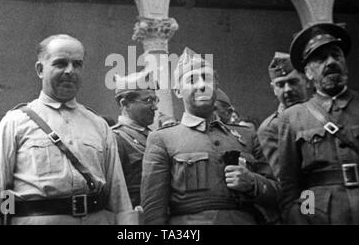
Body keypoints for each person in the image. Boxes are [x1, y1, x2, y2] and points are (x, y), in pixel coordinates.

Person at [0, 34, 136, 225]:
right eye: (60, 63)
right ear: (40, 69)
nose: (70, 71)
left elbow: (119, 197)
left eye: (77, 64)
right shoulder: (15, 122)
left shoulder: (98, 125)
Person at [141, 47, 280, 225]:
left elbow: (277, 193)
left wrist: (252, 182)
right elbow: (153, 212)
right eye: (192, 80)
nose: (201, 85)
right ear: (177, 91)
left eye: (206, 78)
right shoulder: (163, 139)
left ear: (215, 86)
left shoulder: (246, 136)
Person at [278, 23, 359, 224]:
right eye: (321, 58)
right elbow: (291, 184)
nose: (331, 62)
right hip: (321, 214)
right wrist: (301, 216)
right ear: (308, 72)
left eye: (336, 55)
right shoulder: (293, 118)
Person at [258, 52, 310, 177]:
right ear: (274, 89)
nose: (287, 89)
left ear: (307, 81)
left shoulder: (322, 113)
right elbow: (282, 177)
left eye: (293, 82)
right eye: (280, 85)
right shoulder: (271, 128)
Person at [111, 70, 158, 207]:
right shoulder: (115, 138)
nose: (155, 107)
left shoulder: (154, 135)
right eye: (148, 100)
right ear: (124, 104)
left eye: (155, 100)